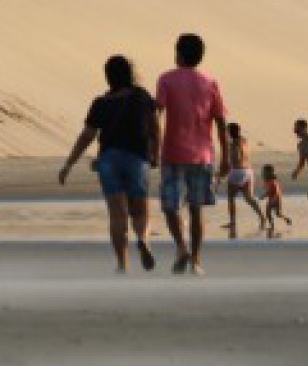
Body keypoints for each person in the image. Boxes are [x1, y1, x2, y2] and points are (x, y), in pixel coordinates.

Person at [60, 54, 161, 274]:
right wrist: (156, 154)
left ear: (108, 77)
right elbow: (154, 127)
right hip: (137, 159)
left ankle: (122, 264)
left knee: (117, 215)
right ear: (130, 73)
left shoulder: (101, 102)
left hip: (109, 160)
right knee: (140, 212)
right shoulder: (141, 96)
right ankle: (143, 239)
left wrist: (68, 164)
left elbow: (87, 135)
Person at [156, 32, 229, 274]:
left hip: (173, 153)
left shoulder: (165, 79)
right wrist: (226, 156)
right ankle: (194, 258)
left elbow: (157, 113)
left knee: (170, 206)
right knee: (196, 208)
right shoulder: (210, 82)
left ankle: (183, 249)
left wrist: (152, 144)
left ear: (178, 53)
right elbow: (220, 122)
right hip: (203, 155)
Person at [222, 123, 267, 235]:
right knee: (249, 198)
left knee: (231, 198)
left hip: (237, 171)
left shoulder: (233, 144)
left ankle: (232, 222)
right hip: (248, 171)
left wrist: (226, 168)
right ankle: (262, 217)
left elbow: (236, 157)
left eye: (228, 131)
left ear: (231, 132)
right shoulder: (245, 141)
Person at [261, 165, 293, 233]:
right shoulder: (265, 180)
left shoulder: (273, 181)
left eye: (264, 171)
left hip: (276, 198)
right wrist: (266, 195)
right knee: (268, 213)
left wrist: (271, 198)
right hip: (271, 198)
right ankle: (271, 225)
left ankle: (287, 219)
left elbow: (276, 190)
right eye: (263, 171)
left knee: (278, 214)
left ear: (269, 172)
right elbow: (268, 190)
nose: (263, 172)